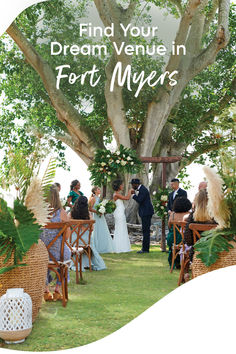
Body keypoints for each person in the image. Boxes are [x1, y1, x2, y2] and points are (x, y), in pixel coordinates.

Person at [40, 184, 71, 301]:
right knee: (65, 256)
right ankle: (57, 289)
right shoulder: (62, 212)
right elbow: (67, 236)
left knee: (44, 261)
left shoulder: (38, 213)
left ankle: (46, 291)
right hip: (59, 254)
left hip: (41, 252)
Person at [183, 189, 216, 279]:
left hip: (197, 253)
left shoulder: (192, 217)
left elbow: (188, 240)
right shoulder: (216, 217)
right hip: (216, 252)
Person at [70, 196, 106, 271]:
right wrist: (83, 229)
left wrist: (76, 228)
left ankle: (73, 262)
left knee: (69, 240)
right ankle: (88, 263)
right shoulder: (88, 215)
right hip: (86, 240)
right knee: (90, 241)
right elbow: (92, 229)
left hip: (74, 240)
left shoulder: (71, 214)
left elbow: (67, 225)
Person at [166, 197, 192, 268]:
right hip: (185, 240)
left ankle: (173, 262)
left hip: (173, 239)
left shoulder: (172, 215)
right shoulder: (190, 215)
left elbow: (169, 226)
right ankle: (186, 262)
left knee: (172, 237)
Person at [131, 178, 154, 254]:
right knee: (145, 231)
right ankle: (145, 248)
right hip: (145, 212)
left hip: (146, 213)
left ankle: (145, 249)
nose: (132, 186)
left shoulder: (143, 190)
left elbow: (140, 200)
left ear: (136, 184)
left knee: (146, 231)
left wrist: (133, 195)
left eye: (132, 184)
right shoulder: (142, 189)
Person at [88, 186, 114, 253]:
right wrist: (97, 211)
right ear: (95, 191)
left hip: (101, 217)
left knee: (102, 229)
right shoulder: (93, 198)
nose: (100, 190)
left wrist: (103, 210)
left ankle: (103, 246)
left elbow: (101, 206)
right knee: (96, 230)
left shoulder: (99, 198)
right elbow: (90, 209)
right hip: (95, 216)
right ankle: (96, 246)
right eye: (98, 189)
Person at [112, 180, 132, 253]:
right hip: (119, 213)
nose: (123, 186)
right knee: (120, 228)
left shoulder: (117, 194)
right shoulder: (116, 194)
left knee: (122, 228)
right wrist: (130, 191)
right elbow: (127, 198)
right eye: (122, 185)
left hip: (120, 212)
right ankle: (119, 247)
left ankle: (123, 246)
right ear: (118, 186)